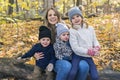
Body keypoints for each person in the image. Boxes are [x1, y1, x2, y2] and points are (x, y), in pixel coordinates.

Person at [34, 7, 89, 80]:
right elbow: (39, 46)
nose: (52, 17)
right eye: (50, 15)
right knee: (66, 66)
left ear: (58, 16)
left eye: (55, 15)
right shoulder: (45, 30)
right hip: (54, 60)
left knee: (84, 65)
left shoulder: (67, 28)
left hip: (70, 56)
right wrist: (35, 54)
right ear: (47, 18)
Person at [68, 6, 101, 80]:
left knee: (95, 76)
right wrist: (89, 51)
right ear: (71, 21)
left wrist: (97, 47)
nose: (76, 19)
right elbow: (75, 48)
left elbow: (95, 40)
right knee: (73, 72)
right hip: (77, 55)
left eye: (77, 16)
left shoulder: (90, 28)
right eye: (73, 18)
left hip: (88, 56)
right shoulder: (72, 31)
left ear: (81, 16)